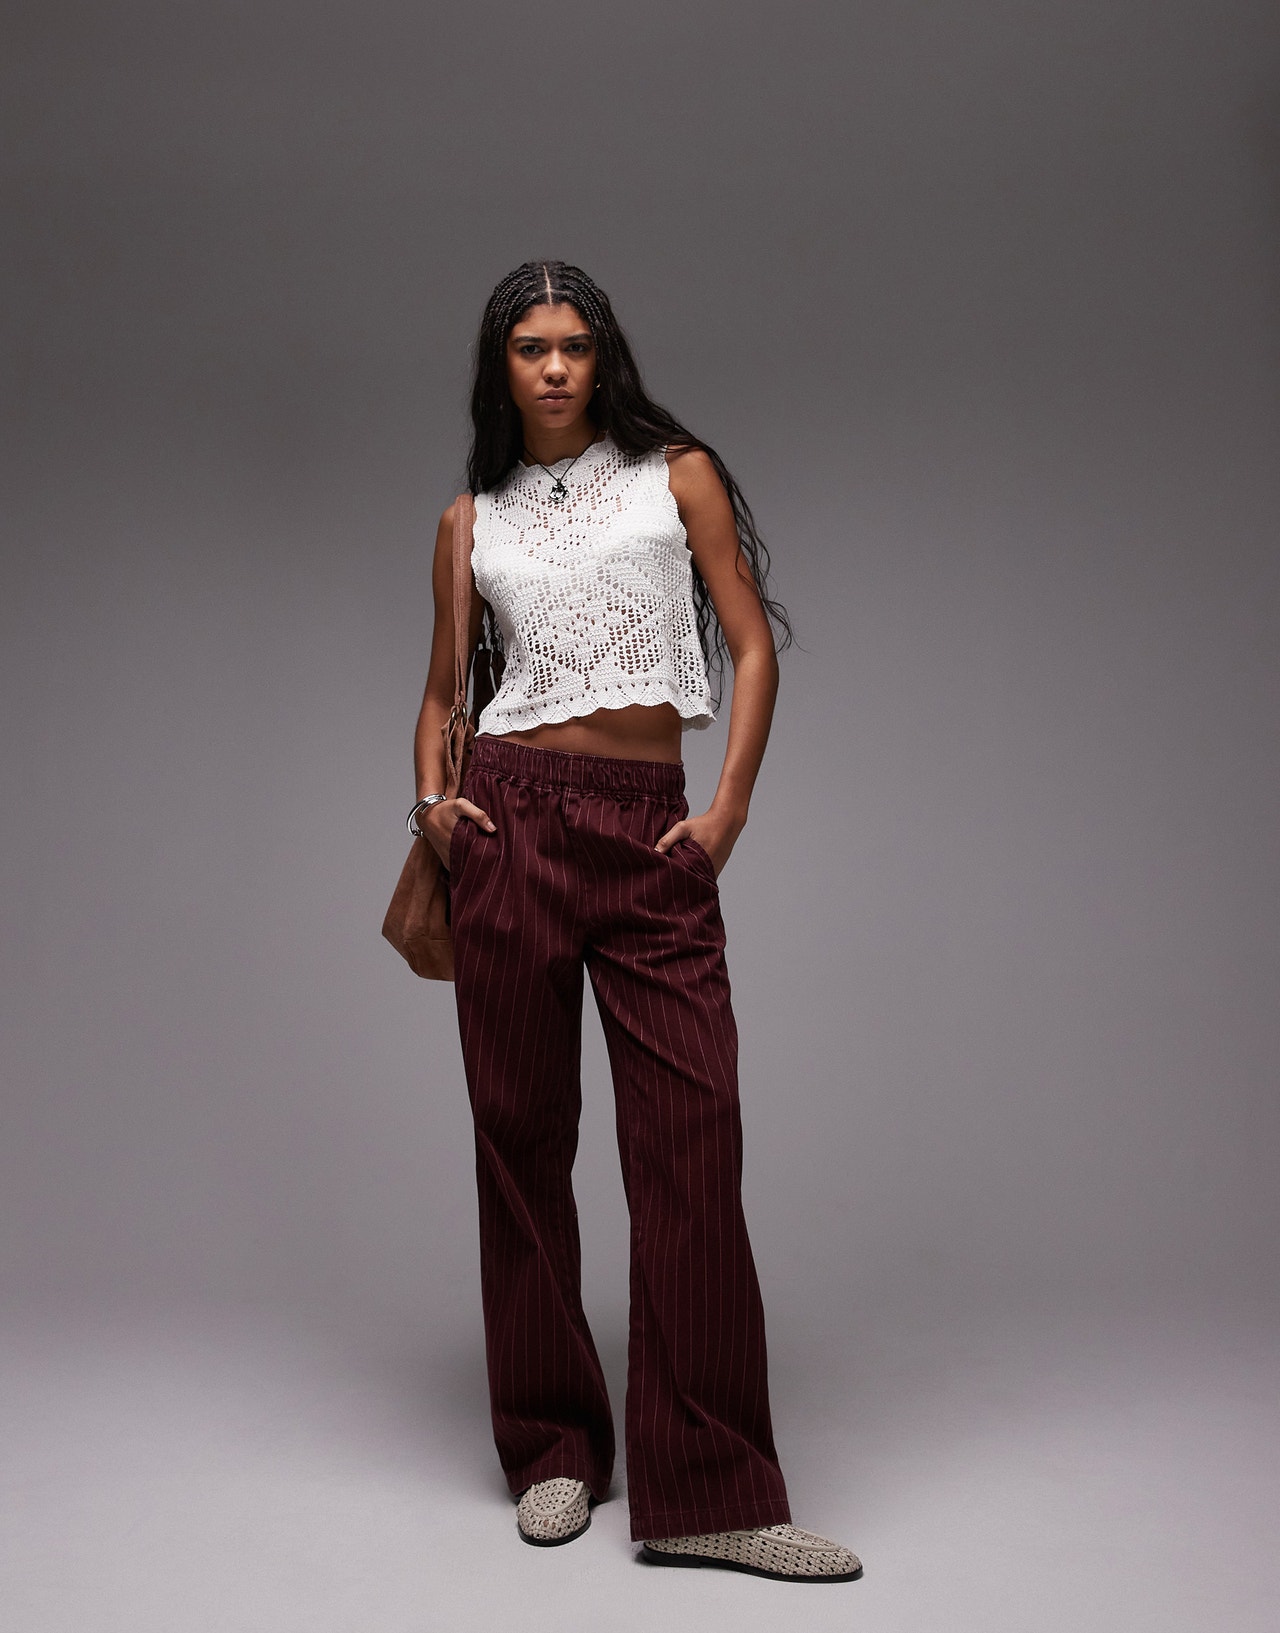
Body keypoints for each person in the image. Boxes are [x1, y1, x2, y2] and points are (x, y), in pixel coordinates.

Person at [408, 260, 861, 1584]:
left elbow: (752, 644)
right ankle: (553, 1448)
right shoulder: (468, 522)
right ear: (500, 370)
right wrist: (434, 807)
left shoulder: (678, 476)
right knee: (520, 1141)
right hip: (509, 828)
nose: (554, 367)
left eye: (574, 344)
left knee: (692, 1147)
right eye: (529, 348)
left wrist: (727, 812)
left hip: (650, 830)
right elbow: (439, 692)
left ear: (603, 357)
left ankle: (710, 1491)